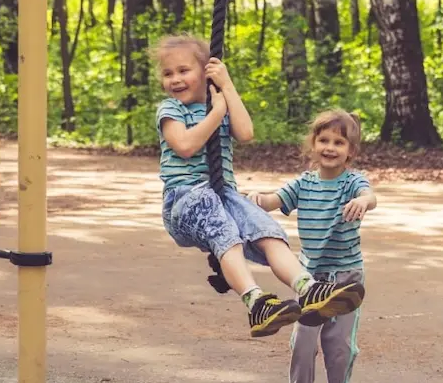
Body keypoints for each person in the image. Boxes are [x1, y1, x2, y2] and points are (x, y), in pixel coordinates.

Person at [151, 34, 365, 338]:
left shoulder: (219, 102)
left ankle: (308, 288)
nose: (175, 79)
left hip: (222, 195)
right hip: (185, 200)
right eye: (168, 73)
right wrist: (216, 113)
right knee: (225, 231)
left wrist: (226, 87)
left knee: (266, 229)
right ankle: (255, 301)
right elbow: (185, 145)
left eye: (184, 71)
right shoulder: (171, 110)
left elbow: (246, 131)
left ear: (206, 72)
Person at [247, 109, 376, 383]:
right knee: (302, 342)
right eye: (324, 140)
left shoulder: (352, 183)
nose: (330, 147)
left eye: (339, 142)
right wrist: (251, 198)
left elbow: (369, 195)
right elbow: (272, 200)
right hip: (309, 280)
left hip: (346, 280)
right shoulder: (303, 183)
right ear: (313, 144)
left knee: (339, 347)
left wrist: (364, 202)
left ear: (351, 151)